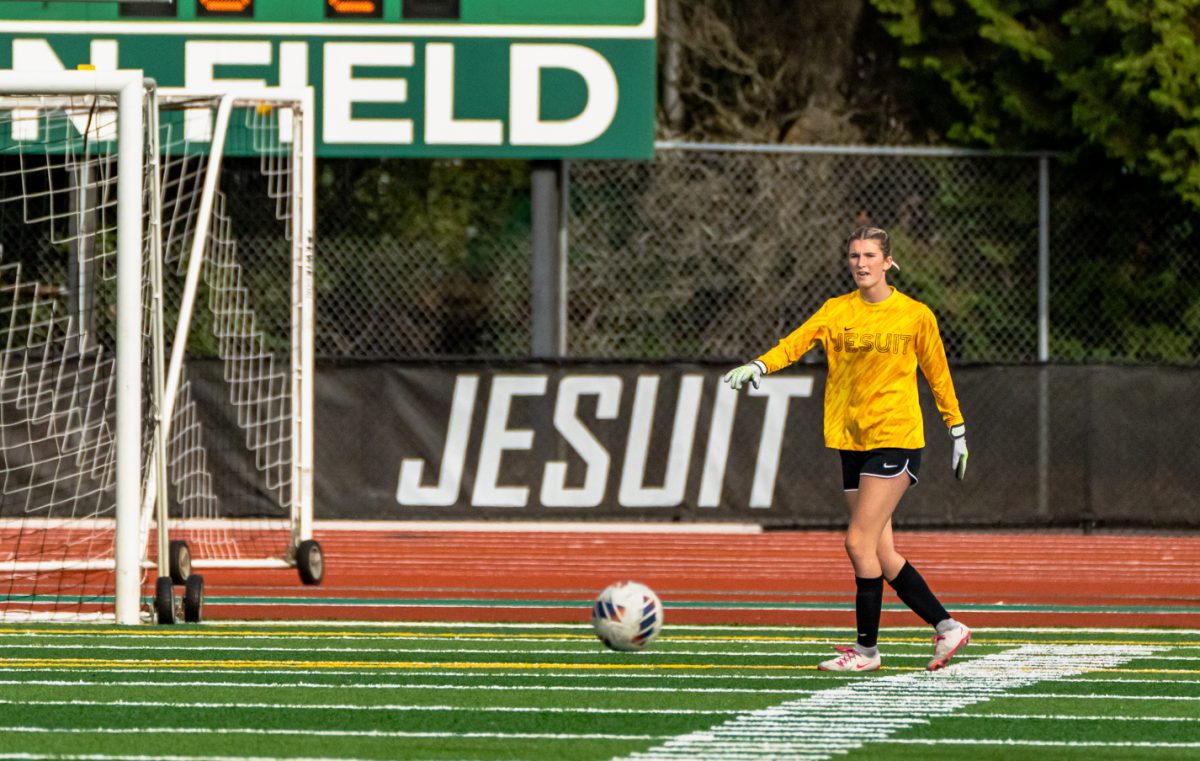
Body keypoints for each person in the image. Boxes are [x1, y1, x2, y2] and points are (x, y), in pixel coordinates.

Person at [722, 226, 970, 672]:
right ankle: (948, 627)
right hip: (850, 440)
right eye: (854, 255)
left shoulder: (915, 315)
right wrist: (761, 364)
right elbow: (795, 342)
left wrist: (957, 429)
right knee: (882, 552)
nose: (860, 262)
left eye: (870, 255)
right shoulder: (837, 310)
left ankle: (868, 652)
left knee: (858, 542)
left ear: (888, 262)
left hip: (895, 437)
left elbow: (938, 375)